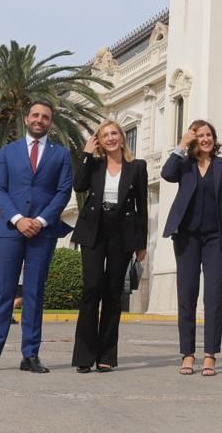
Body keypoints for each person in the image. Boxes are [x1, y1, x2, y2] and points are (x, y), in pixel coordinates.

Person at [0, 100, 74, 375]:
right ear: (27, 119)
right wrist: (18, 219)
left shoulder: (61, 154)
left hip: (44, 231)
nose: (40, 120)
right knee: (3, 292)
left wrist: (39, 221)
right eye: (36, 115)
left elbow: (63, 193)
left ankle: (30, 355)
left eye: (46, 117)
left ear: (51, 122)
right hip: (10, 230)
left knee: (34, 294)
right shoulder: (7, 152)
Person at [161, 120, 222, 377]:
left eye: (208, 135)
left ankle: (209, 355)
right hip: (186, 237)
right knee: (187, 295)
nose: (205, 139)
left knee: (214, 296)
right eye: (200, 135)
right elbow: (166, 174)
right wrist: (181, 145)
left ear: (214, 138)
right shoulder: (184, 165)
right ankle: (187, 354)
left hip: (216, 239)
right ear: (194, 139)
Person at [71, 119, 149, 374]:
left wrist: (141, 243)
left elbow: (141, 207)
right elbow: (79, 185)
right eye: (105, 135)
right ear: (99, 141)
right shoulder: (93, 164)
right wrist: (85, 153)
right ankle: (84, 355)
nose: (111, 138)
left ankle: (106, 356)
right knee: (92, 287)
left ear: (122, 137)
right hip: (93, 228)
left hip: (123, 230)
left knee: (114, 292)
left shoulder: (137, 167)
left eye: (114, 133)